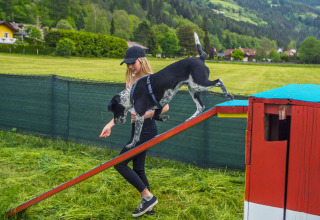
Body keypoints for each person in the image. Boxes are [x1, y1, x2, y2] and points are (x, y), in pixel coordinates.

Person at [99, 46, 169, 217]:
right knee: (138, 168)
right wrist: (110, 124)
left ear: (142, 60)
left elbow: (165, 106)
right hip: (136, 128)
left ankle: (148, 197)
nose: (130, 66)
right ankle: (149, 206)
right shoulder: (130, 81)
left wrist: (145, 114)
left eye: (133, 63)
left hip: (147, 128)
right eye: (127, 64)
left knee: (119, 163)